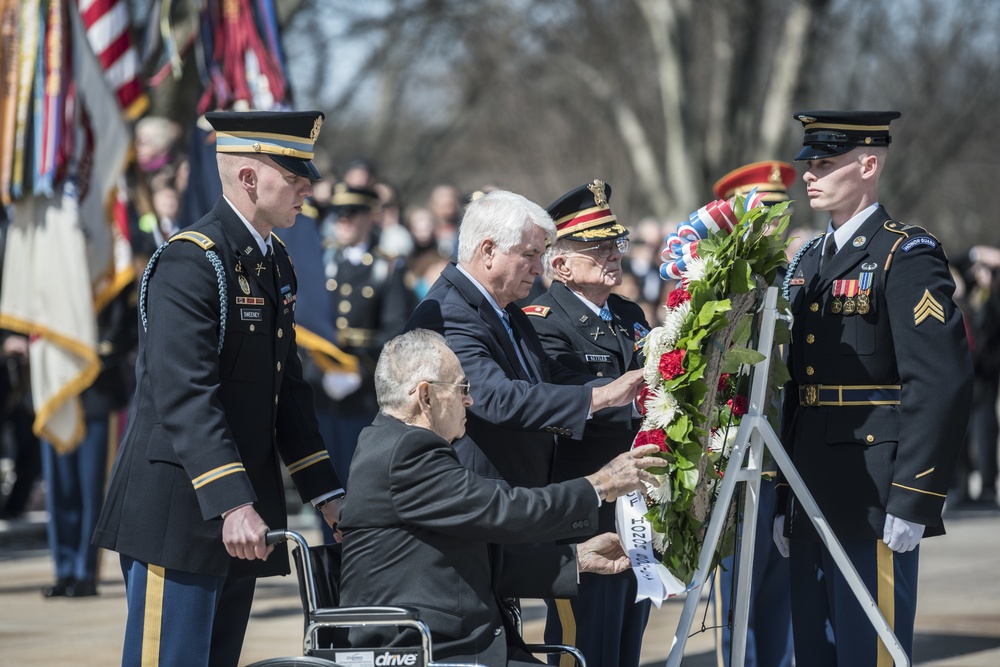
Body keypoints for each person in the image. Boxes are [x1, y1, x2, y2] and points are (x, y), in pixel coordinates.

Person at [92, 110, 346, 667]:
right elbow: (187, 395)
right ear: (249, 177)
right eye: (294, 174)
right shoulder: (191, 259)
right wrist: (232, 502)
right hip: (181, 510)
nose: (308, 186)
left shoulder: (273, 260)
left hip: (240, 514)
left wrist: (328, 495)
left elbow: (286, 392)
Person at [775, 110, 973, 666]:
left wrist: (915, 495)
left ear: (867, 165)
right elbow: (798, 385)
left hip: (875, 490)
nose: (809, 175)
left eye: (825, 163)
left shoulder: (904, 254)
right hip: (811, 485)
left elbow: (940, 383)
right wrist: (785, 498)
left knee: (873, 652)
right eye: (808, 164)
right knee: (817, 650)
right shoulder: (809, 261)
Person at [338, 328, 664, 666]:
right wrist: (602, 483)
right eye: (462, 387)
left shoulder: (399, 444)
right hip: (423, 647)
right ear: (426, 396)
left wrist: (576, 559)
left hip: (452, 643)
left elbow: (472, 559)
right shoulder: (406, 450)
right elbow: (505, 512)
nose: (470, 400)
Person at [404, 189, 647, 491]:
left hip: (516, 493)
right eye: (530, 254)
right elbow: (496, 398)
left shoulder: (505, 309)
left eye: (540, 255)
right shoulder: (447, 312)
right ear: (488, 250)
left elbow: (549, 375)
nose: (538, 267)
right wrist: (602, 397)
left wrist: (629, 396)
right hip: (480, 495)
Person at [522, 180, 651, 667]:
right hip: (581, 502)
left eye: (615, 243)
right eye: (596, 247)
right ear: (561, 265)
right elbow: (570, 397)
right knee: (582, 643)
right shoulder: (541, 320)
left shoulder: (628, 313)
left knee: (626, 641)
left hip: (634, 501)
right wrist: (644, 395)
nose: (613, 255)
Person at [708, 162, 796, 667]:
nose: (772, 224)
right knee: (736, 618)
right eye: (761, 212)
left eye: (778, 212)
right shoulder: (722, 286)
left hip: (789, 464)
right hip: (739, 469)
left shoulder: (797, 276)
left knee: (779, 607)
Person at [313, 183, 414, 489]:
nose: (343, 220)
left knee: (362, 478)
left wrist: (358, 366)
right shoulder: (324, 261)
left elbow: (395, 328)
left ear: (370, 217)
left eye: (352, 214)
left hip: (365, 384)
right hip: (321, 382)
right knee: (325, 480)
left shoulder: (387, 266)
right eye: (339, 214)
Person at [41, 285, 137, 599]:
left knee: (91, 486)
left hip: (98, 387)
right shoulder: (53, 264)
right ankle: (64, 567)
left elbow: (125, 325)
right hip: (58, 387)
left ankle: (84, 571)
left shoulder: (111, 268)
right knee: (61, 484)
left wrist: (95, 349)